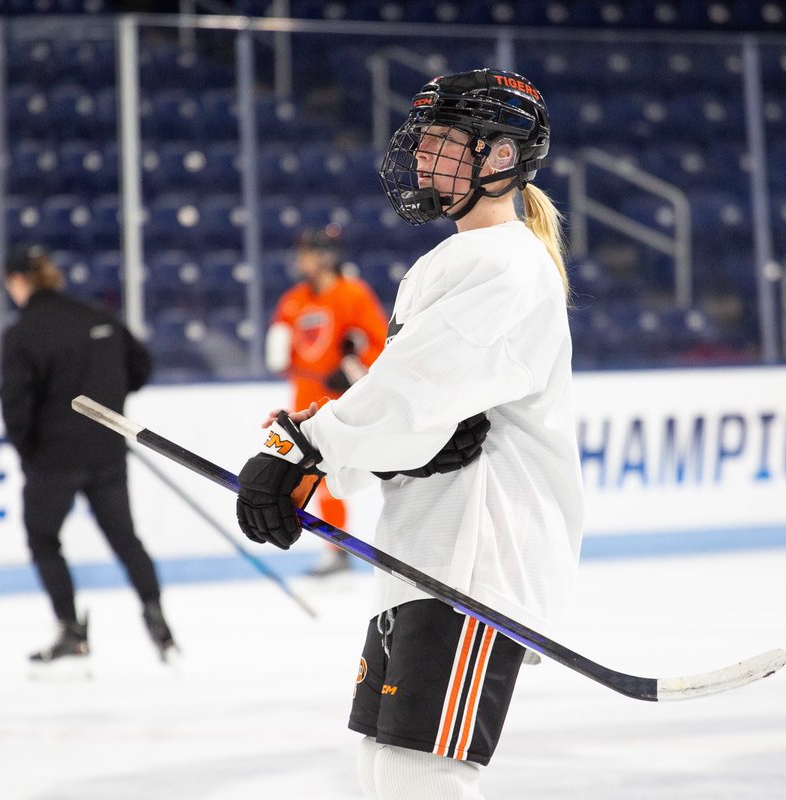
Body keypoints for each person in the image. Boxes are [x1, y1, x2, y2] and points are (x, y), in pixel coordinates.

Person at [235, 69, 582, 800]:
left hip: (474, 564)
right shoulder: (446, 265)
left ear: (499, 158)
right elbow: (417, 423)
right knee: (383, 767)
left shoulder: (509, 267)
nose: (423, 159)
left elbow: (413, 398)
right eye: (422, 142)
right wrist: (327, 451)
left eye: (444, 143)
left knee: (417, 776)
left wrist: (307, 449)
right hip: (423, 555)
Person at [0, 245, 178, 668]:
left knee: (44, 539)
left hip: (52, 458)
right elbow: (142, 366)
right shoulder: (97, 317)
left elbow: (14, 405)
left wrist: (29, 453)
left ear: (18, 282)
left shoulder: (22, 334)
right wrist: (112, 399)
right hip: (106, 450)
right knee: (125, 539)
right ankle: (156, 616)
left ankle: (70, 630)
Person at [265, 224, 390, 576]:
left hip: (340, 403)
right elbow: (283, 353)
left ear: (325, 256)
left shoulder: (353, 295)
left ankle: (340, 548)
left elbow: (381, 345)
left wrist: (352, 365)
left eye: (307, 252)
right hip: (305, 404)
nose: (301, 259)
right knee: (312, 478)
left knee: (336, 477)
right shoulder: (294, 300)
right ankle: (335, 548)